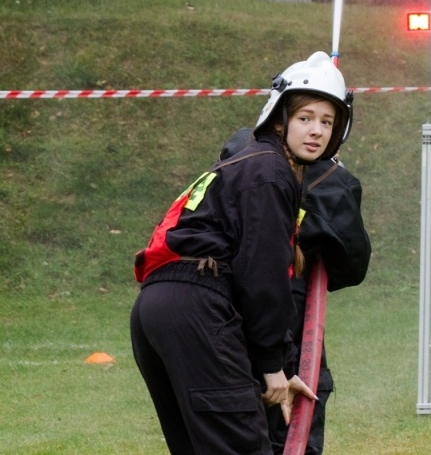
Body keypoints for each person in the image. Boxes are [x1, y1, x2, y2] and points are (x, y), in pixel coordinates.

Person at [130, 51, 353, 454]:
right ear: (280, 118)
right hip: (195, 305)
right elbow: (262, 277)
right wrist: (273, 370)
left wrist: (284, 367)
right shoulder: (270, 173)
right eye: (305, 119)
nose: (316, 131)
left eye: (326, 121)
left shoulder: (249, 162)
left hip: (158, 308)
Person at [218, 125, 371, 454]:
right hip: (285, 316)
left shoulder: (240, 147)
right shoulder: (332, 181)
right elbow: (351, 265)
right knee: (293, 420)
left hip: (223, 311)